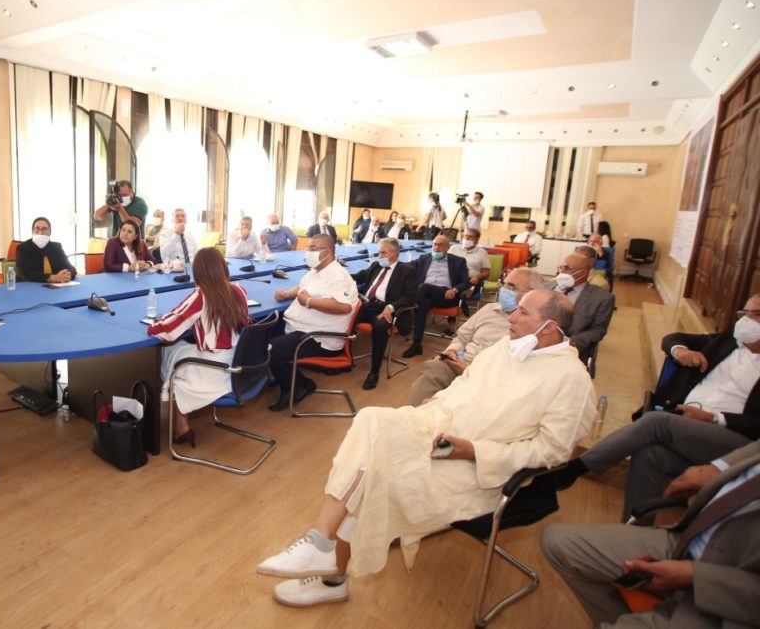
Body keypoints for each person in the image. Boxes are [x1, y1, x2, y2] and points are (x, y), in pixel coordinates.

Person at [255, 290, 596, 607]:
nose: (511, 316)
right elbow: (465, 384)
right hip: (437, 430)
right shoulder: (508, 347)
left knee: (375, 475)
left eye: (522, 312)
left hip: (479, 468)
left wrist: (472, 451)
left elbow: (551, 452)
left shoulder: (571, 379)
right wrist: (435, 405)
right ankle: (320, 541)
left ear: (549, 326)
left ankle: (332, 576)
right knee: (371, 419)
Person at [554, 295, 760, 521]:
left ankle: (574, 469)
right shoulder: (727, 341)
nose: (746, 321)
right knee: (649, 454)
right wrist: (680, 351)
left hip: (735, 441)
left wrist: (714, 418)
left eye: (756, 315)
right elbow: (673, 338)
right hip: (686, 423)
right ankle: (636, 528)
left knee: (656, 421)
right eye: (744, 313)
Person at [541, 441, 760, 628]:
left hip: (729, 602)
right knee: (558, 542)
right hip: (690, 540)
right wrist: (715, 472)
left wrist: (694, 576)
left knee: (655, 425)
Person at [147, 248, 250, 446]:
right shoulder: (239, 291)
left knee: (168, 352)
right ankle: (181, 422)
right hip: (238, 365)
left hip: (213, 369)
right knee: (181, 350)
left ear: (198, 272)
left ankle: (180, 424)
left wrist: (153, 325)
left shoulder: (201, 295)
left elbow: (168, 330)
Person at [407, 268, 544, 405]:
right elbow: (462, 337)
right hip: (459, 362)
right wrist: (451, 351)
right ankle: (414, 415)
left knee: (454, 401)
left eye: (512, 287)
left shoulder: (535, 326)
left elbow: (517, 370)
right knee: (433, 367)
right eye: (505, 284)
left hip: (489, 377)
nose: (504, 289)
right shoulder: (489, 309)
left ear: (531, 294)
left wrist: (471, 371)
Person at [267, 234, 358, 411]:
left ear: (328, 252)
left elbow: (344, 307)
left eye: (313, 248)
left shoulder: (337, 276)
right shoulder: (318, 270)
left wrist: (309, 301)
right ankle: (281, 374)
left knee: (272, 349)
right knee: (266, 332)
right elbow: (303, 287)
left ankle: (299, 386)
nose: (308, 251)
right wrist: (287, 294)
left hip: (319, 337)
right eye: (308, 247)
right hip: (303, 326)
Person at [351, 238, 418, 390]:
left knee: (380, 326)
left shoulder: (408, 271)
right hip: (367, 305)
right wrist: (339, 274)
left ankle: (374, 372)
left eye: (383, 253)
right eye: (379, 252)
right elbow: (358, 276)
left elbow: (409, 297)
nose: (379, 256)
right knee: (345, 315)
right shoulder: (376, 266)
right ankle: (343, 359)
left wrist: (390, 307)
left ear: (394, 254)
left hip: (386, 308)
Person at [402, 234, 470, 358]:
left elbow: (465, 282)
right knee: (422, 305)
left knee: (424, 287)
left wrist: (455, 290)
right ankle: (416, 344)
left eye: (440, 245)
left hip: (448, 296)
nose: (436, 248)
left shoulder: (458, 261)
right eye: (434, 244)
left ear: (447, 247)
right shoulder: (424, 258)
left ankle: (403, 310)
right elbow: (406, 266)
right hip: (427, 296)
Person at [554, 250, 616, 362]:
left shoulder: (602, 298)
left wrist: (570, 342)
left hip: (569, 350)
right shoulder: (547, 287)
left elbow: (598, 330)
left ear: (583, 273)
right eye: (561, 267)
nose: (562, 272)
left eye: (568, 268)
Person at [447, 227, 491, 326]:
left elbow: (487, 272)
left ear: (477, 239)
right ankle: (463, 303)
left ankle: (452, 323)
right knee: (455, 289)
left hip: (471, 281)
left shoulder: (482, 252)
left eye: (470, 237)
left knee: (456, 290)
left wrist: (478, 277)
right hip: (453, 278)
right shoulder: (454, 248)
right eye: (465, 236)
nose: (466, 239)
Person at [15, 217, 77, 283]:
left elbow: (70, 268)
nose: (40, 232)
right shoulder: (23, 248)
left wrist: (67, 275)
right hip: (30, 286)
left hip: (57, 286)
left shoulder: (57, 247)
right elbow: (24, 273)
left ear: (50, 232)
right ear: (32, 232)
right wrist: (52, 278)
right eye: (37, 228)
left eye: (44, 229)